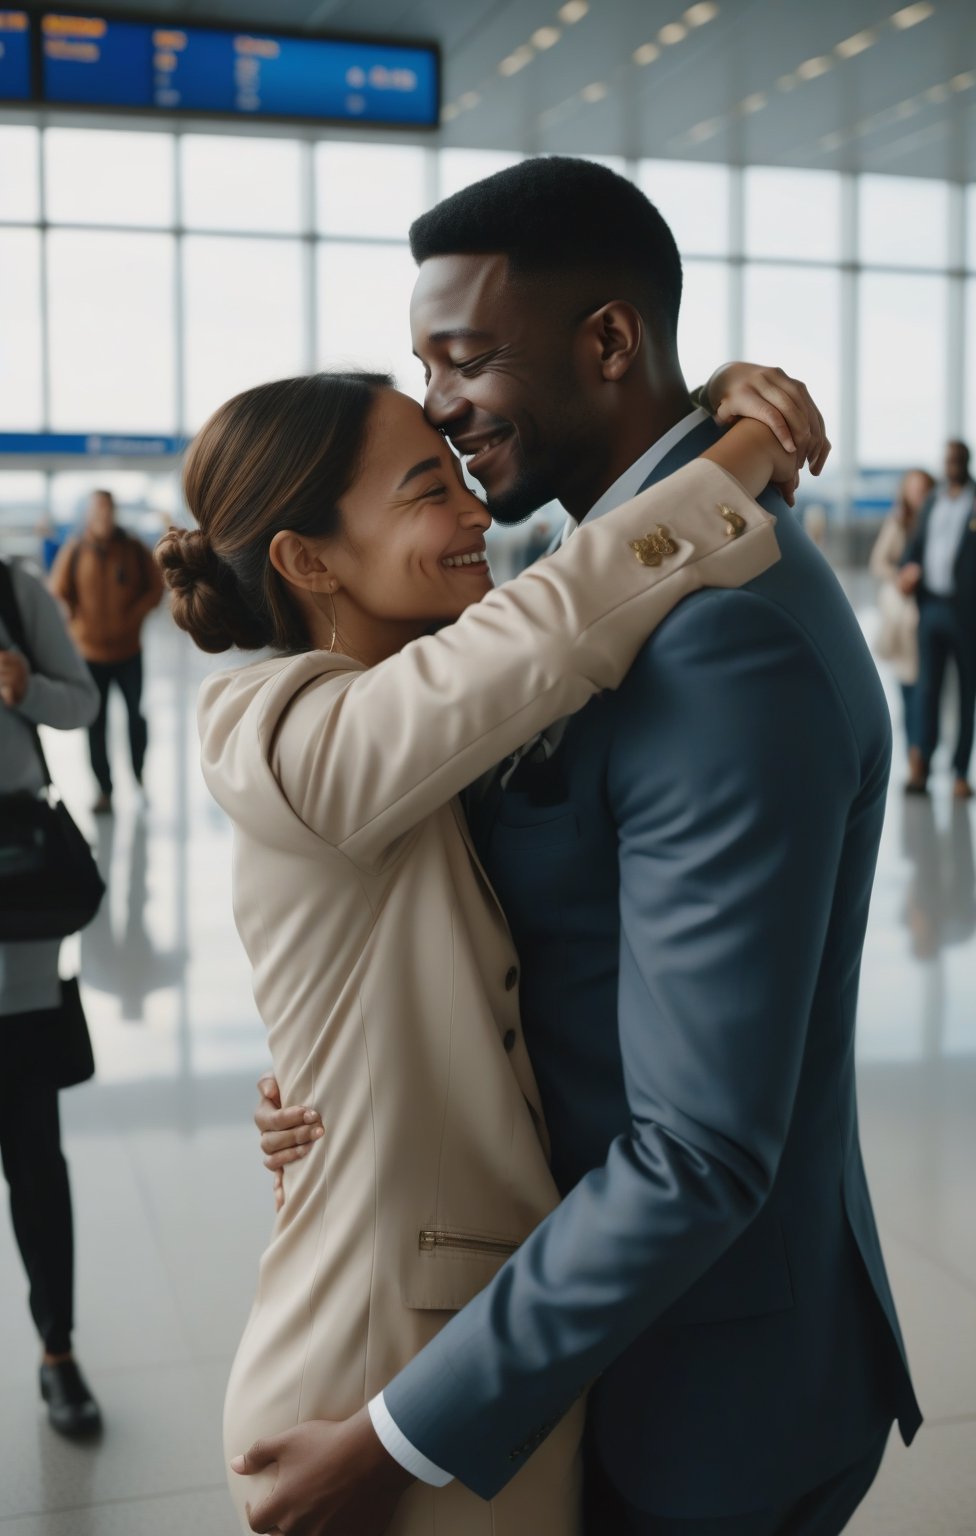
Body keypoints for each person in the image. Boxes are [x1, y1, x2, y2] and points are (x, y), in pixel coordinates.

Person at [242, 156, 920, 1536]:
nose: (437, 402)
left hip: (693, 1399)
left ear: (608, 341)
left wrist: (397, 1441)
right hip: (596, 1347)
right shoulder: (583, 570)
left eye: (464, 359)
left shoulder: (719, 641)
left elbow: (698, 1154)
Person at [161, 367, 798, 1535]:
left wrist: (683, 412)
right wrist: (736, 449)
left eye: (460, 474)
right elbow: (554, 621)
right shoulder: (286, 732)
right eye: (424, 491)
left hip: (443, 1339)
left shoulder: (402, 724)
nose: (476, 512)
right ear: (308, 560)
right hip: (371, 1377)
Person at [0, 555, 103, 1439]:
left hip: (15, 917)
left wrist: (27, 684)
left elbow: (84, 703)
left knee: (34, 1156)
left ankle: (58, 1350)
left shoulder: (12, 590)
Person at [899, 440, 976, 799]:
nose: (952, 464)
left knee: (968, 694)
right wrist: (907, 569)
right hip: (931, 608)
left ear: (967, 461)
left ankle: (961, 773)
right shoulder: (933, 501)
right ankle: (922, 767)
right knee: (927, 691)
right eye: (948, 459)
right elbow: (915, 547)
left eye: (958, 458)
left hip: (968, 613)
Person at [49, 490, 164, 814]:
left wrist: (136, 615)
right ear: (89, 515)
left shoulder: (133, 548)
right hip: (90, 656)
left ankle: (139, 777)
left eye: (109, 511)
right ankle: (104, 790)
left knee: (134, 717)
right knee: (95, 724)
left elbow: (156, 587)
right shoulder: (75, 551)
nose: (104, 518)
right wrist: (75, 621)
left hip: (129, 652)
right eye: (98, 512)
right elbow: (57, 590)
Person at [870, 468, 936, 756]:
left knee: (928, 686)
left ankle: (922, 750)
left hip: (932, 611)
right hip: (905, 614)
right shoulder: (899, 522)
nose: (919, 495)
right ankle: (915, 752)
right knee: (909, 683)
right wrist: (901, 577)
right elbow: (879, 563)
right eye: (914, 489)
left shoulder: (937, 519)